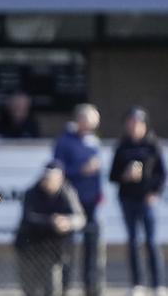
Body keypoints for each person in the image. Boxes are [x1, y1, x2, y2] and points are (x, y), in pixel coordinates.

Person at [109, 107, 166, 296]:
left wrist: (154, 193)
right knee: (133, 241)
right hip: (127, 199)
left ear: (144, 125)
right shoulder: (122, 146)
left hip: (146, 200)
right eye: (131, 123)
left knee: (151, 241)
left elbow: (161, 174)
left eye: (138, 123)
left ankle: (158, 284)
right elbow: (113, 176)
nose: (134, 127)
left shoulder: (152, 145)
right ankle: (137, 284)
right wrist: (125, 176)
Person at [53, 103, 105, 296]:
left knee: (92, 247)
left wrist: (100, 193)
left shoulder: (93, 140)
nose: (94, 124)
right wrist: (80, 170)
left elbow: (98, 171)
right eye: (91, 120)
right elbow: (58, 171)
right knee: (67, 248)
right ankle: (63, 287)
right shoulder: (64, 141)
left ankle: (91, 288)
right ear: (81, 119)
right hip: (70, 202)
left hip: (91, 202)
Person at [14, 160, 85, 296]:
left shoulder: (67, 192)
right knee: (30, 289)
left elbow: (80, 218)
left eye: (52, 179)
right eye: (46, 178)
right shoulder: (32, 192)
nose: (47, 182)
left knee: (53, 288)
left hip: (53, 250)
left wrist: (68, 223)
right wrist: (52, 222)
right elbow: (29, 218)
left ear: (60, 179)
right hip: (29, 247)